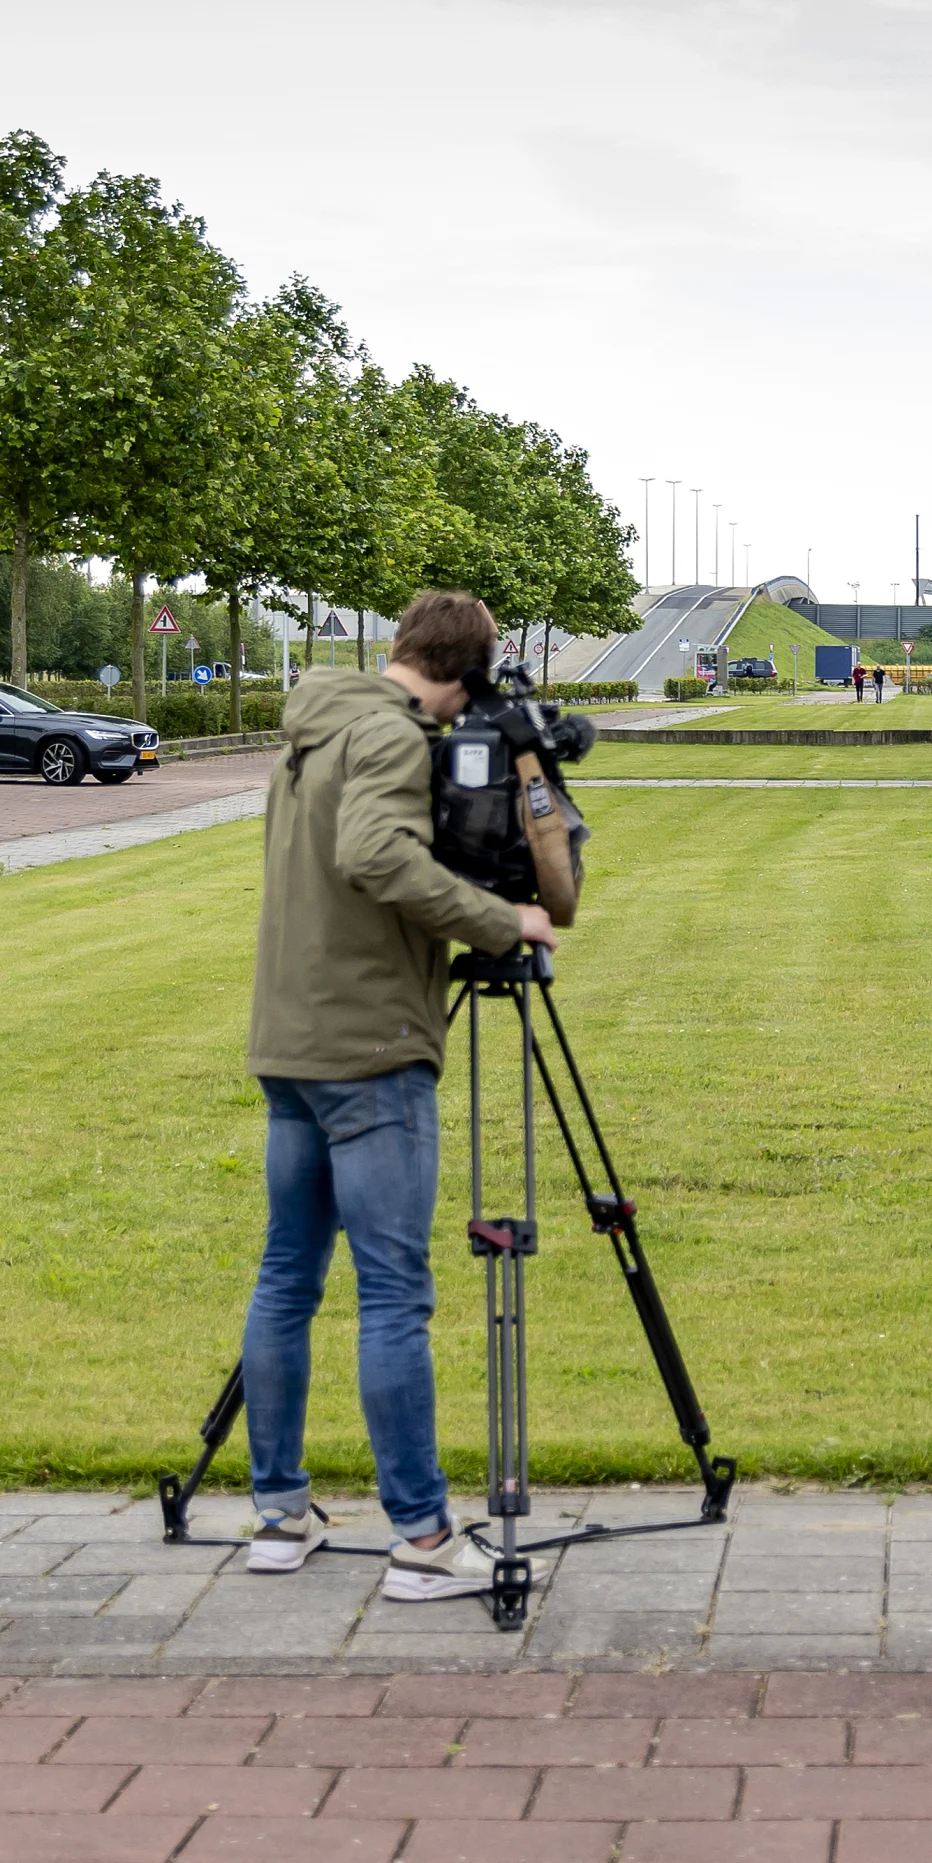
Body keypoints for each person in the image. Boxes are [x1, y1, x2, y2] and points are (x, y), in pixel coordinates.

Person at [241, 587, 556, 1596]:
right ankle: (421, 1538)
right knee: (392, 1293)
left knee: (288, 1277)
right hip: (368, 1046)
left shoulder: (318, 724)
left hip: (291, 1036)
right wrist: (506, 921)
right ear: (463, 678)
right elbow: (374, 856)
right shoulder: (388, 740)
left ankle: (279, 1513)